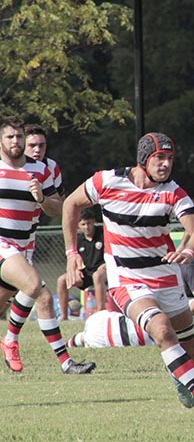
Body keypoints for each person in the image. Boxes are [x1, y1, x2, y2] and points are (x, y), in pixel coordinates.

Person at [62, 132, 194, 422]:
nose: (165, 165)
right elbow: (70, 205)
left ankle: (179, 374)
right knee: (162, 330)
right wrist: (72, 252)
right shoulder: (107, 181)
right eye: (159, 158)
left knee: (190, 349)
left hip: (166, 279)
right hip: (126, 280)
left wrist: (187, 253)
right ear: (143, 159)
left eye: (170, 159)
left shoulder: (173, 192)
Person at [0, 116, 95, 375]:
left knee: (32, 297)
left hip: (24, 247)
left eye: (19, 136)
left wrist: (41, 197)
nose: (16, 142)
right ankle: (21, 345)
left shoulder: (41, 170)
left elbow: (58, 207)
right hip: (2, 244)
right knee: (35, 288)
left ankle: (59, 361)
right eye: (10, 137)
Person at [56, 208, 107, 320]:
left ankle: (100, 313)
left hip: (104, 272)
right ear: (79, 225)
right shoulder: (78, 240)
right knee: (62, 280)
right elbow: (73, 259)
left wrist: (106, 264)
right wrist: (76, 271)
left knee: (97, 276)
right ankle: (64, 316)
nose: (86, 227)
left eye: (88, 223)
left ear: (94, 221)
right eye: (83, 224)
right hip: (87, 273)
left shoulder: (103, 235)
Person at [24, 124, 66, 197]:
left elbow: (60, 197)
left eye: (41, 145)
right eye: (32, 145)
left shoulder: (51, 166)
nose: (37, 150)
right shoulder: (9, 166)